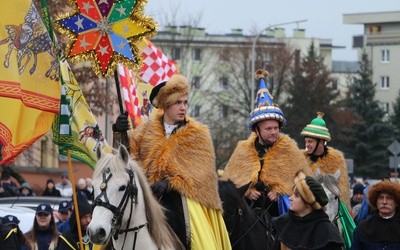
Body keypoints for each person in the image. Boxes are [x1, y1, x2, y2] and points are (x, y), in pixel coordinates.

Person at [115, 74, 231, 249]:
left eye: (185, 103)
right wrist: (120, 132)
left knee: (197, 238)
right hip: (149, 194)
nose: (183, 107)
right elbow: (127, 159)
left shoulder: (198, 134)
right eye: (178, 103)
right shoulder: (145, 130)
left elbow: (203, 174)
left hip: (184, 198)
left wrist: (170, 184)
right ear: (165, 105)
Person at [221, 69, 311, 217]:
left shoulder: (290, 149)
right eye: (268, 129)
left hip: (281, 213)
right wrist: (247, 191)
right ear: (257, 130)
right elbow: (228, 184)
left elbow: (307, 182)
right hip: (247, 213)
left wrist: (281, 192)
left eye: (276, 128)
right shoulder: (242, 150)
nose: (274, 132)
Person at [272, 171, 344, 250]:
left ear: (308, 201)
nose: (290, 198)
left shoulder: (327, 232)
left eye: (296, 196)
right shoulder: (284, 223)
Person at [300, 112, 351, 210]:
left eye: (310, 141)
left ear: (321, 142)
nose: (306, 145)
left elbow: (343, 191)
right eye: (306, 141)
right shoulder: (300, 158)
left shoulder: (337, 160)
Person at [351, 180, 400, 249]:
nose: (384, 202)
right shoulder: (362, 228)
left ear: (396, 202)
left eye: (389, 198)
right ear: (376, 201)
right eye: (380, 198)